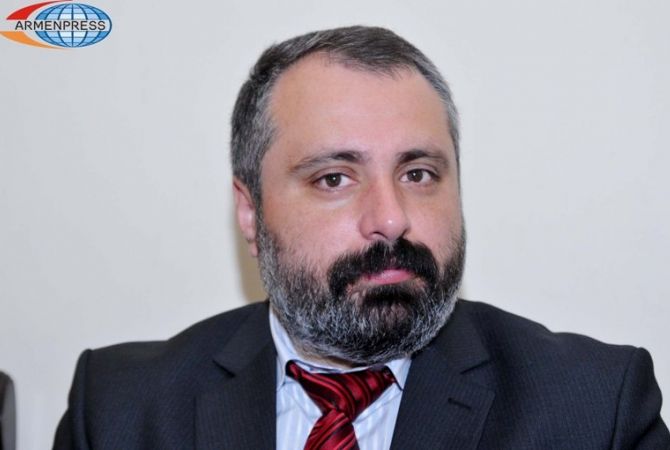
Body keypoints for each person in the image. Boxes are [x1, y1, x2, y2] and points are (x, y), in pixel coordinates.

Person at [53, 26, 669, 449]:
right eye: (334, 178)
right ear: (251, 212)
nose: (391, 218)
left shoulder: (595, 410)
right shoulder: (119, 410)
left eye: (418, 173)